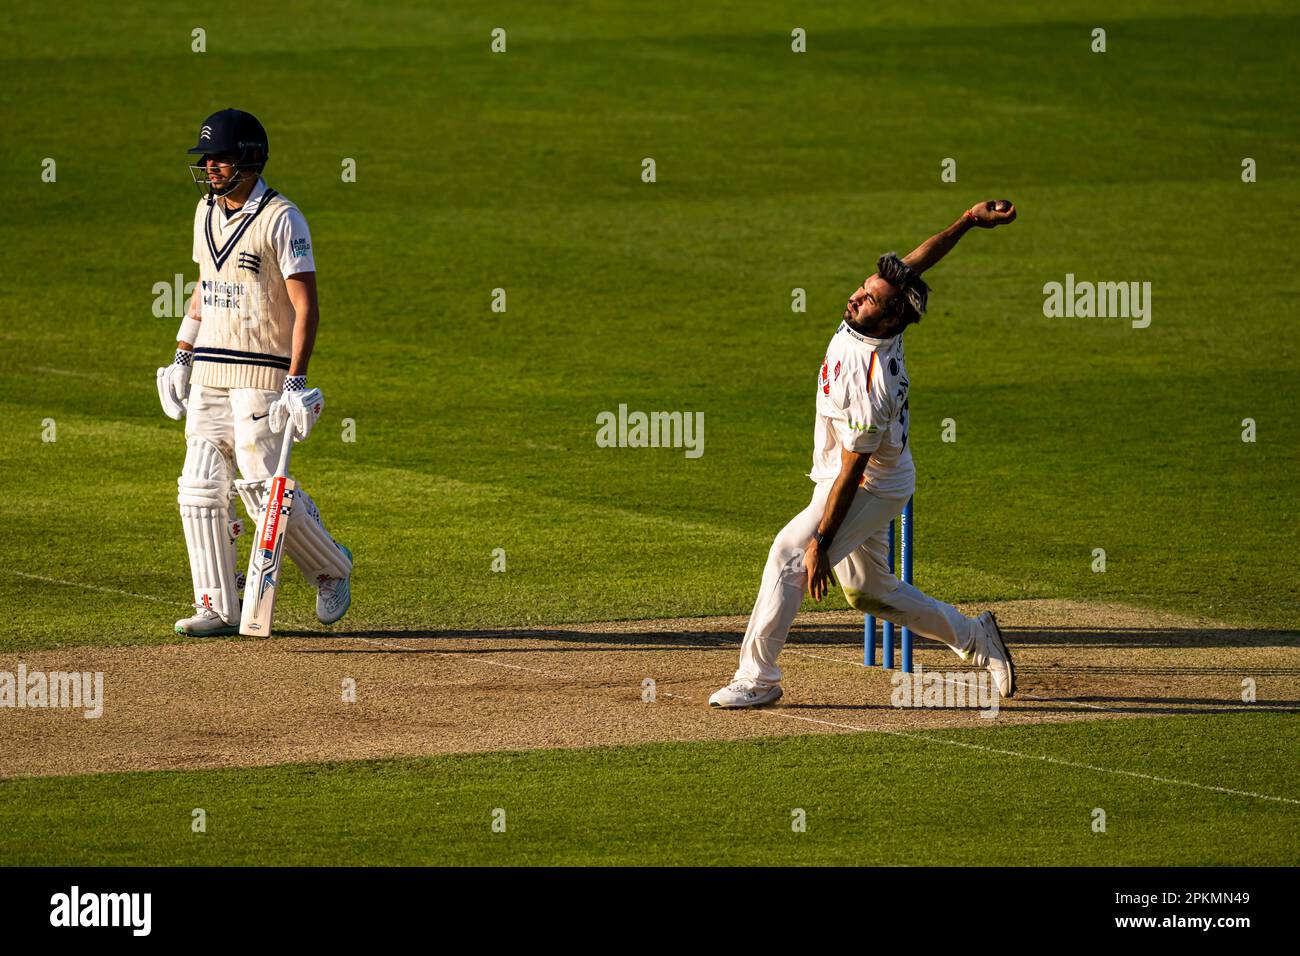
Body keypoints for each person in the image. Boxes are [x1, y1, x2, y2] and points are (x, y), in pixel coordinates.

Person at [710, 201, 1019, 708]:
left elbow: (853, 472)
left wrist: (821, 543)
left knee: (789, 555)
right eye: (862, 288)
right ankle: (974, 636)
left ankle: (758, 678)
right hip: (846, 474)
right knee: (869, 591)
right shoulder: (871, 319)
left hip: (871, 484)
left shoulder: (874, 379)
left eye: (870, 298)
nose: (856, 298)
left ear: (893, 314)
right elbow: (914, 264)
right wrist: (966, 221)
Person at [157, 108, 353, 636]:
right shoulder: (204, 212)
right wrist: (181, 350)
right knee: (199, 487)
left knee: (262, 487)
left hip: (262, 370)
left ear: (250, 156)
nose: (210, 166)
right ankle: (219, 605)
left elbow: (306, 305)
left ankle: (331, 569)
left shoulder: (281, 218)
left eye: (219, 156)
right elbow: (205, 285)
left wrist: (295, 379)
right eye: (206, 158)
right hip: (210, 370)